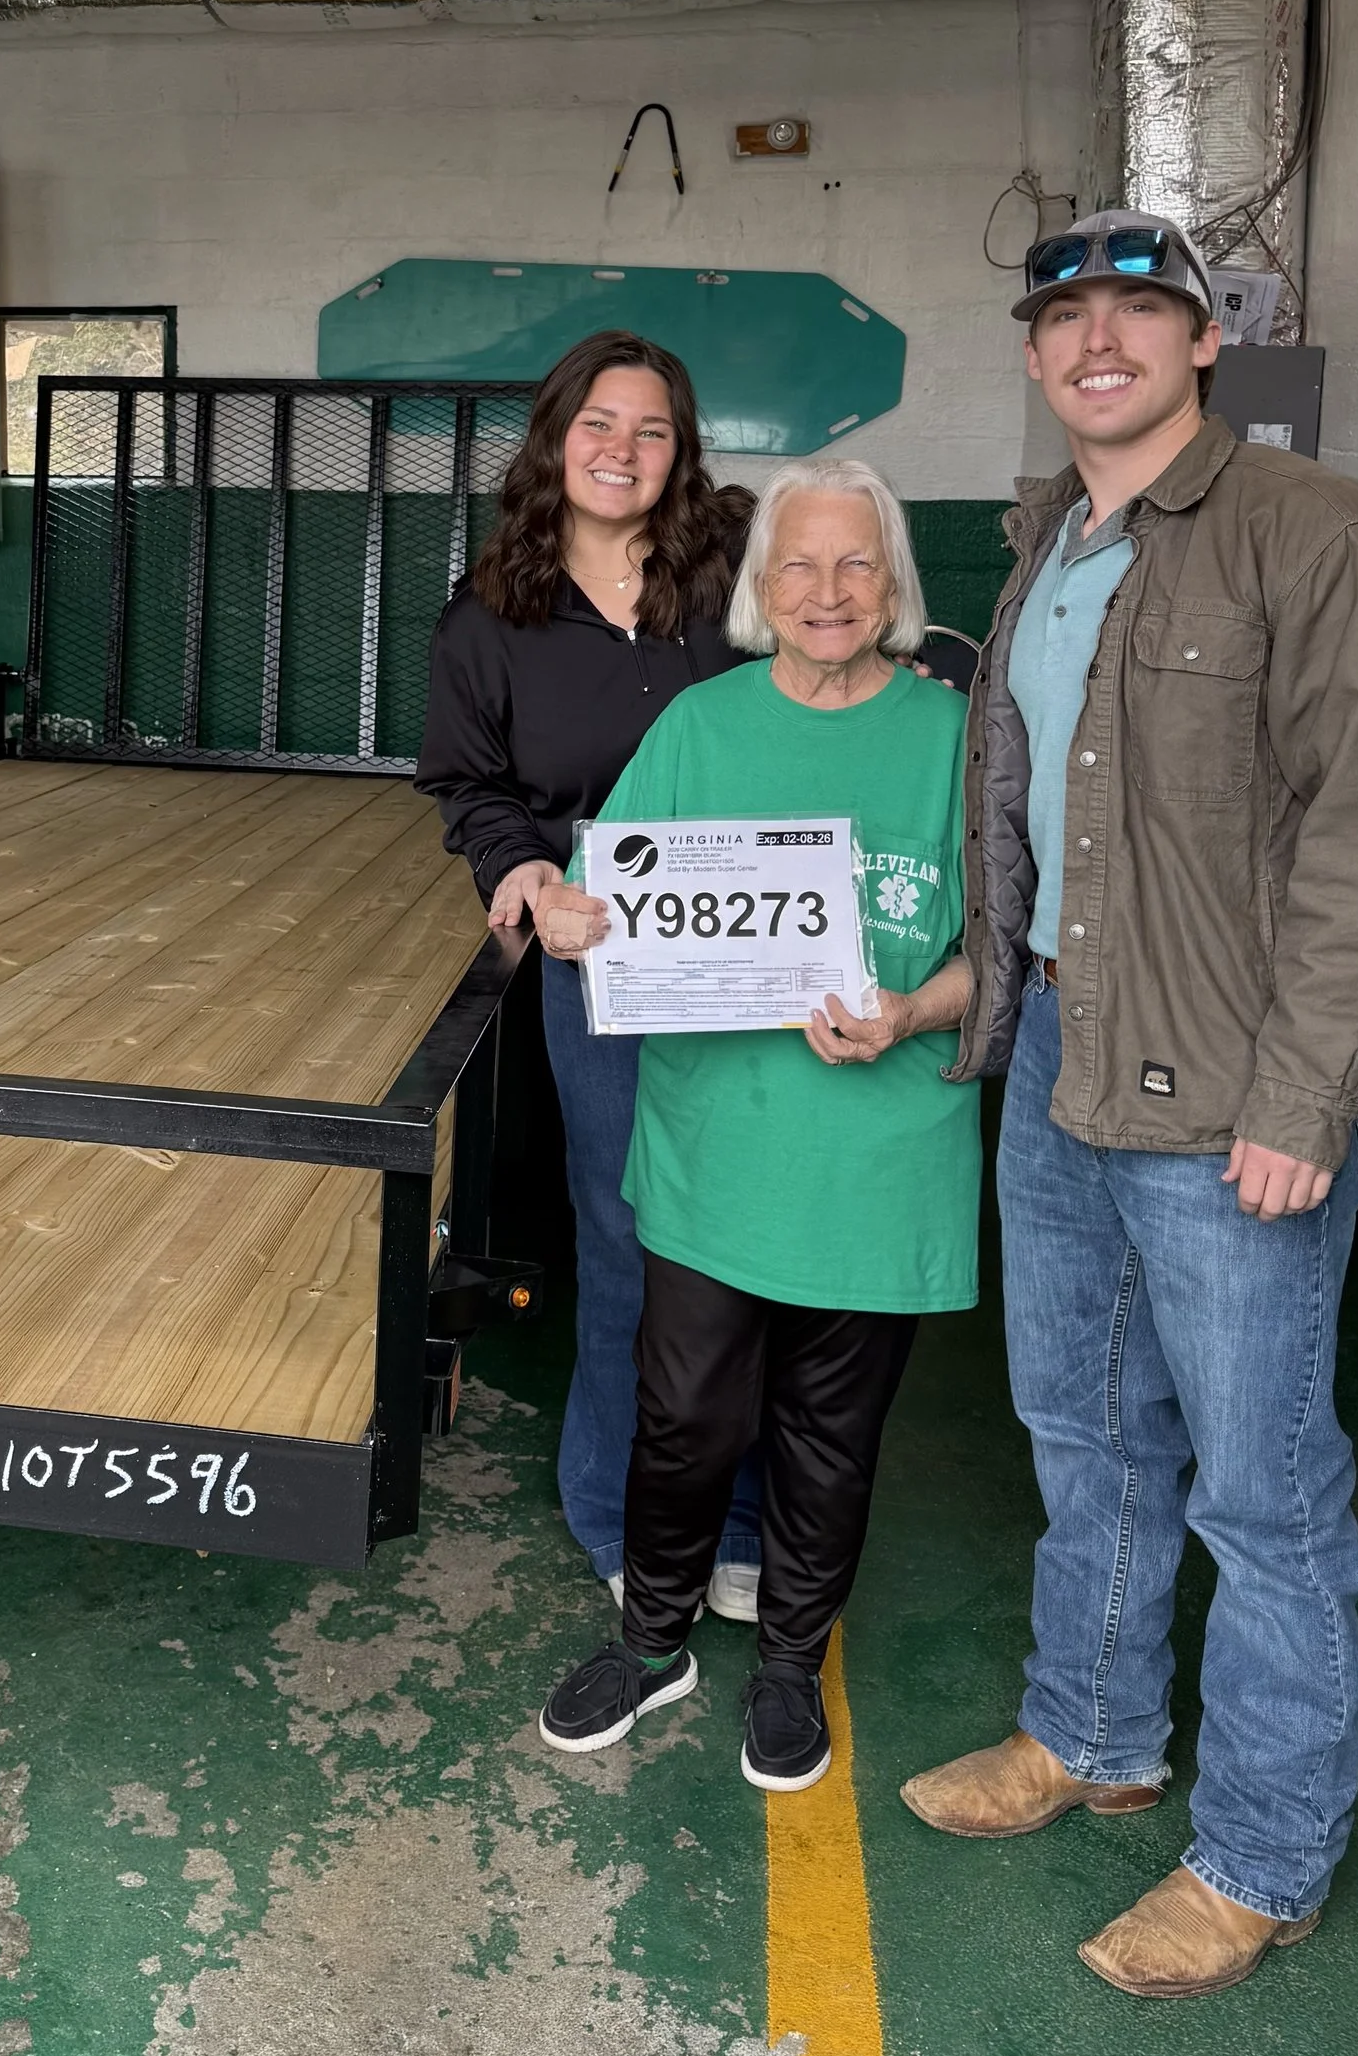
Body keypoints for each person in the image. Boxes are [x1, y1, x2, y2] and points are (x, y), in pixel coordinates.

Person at [902, 210, 1358, 1997]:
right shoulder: (1048, 541)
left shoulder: (1317, 530)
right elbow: (1041, 829)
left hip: (1238, 1094)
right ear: (1037, 352)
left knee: (1266, 1490)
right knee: (1084, 1432)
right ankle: (1094, 1735)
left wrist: (1310, 1099)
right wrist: (983, 993)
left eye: (1144, 311)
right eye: (1068, 318)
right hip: (1066, 1050)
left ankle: (1268, 1854)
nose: (1102, 342)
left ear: (1207, 346)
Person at [527, 456, 978, 1791]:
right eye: (800, 566)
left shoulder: (956, 739)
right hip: (718, 1143)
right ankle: (651, 1638)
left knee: (831, 1432)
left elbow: (1005, 949)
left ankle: (789, 1666)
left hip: (880, 1150)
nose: (828, 592)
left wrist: (909, 1011)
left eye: (855, 565)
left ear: (892, 585)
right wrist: (566, 906)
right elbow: (616, 903)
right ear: (761, 589)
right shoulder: (704, 729)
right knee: (684, 1417)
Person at [417, 331, 769, 1617]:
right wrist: (522, 877)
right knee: (627, 1235)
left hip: (753, 949)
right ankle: (620, 1511)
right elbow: (471, 785)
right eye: (599, 426)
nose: (623, 452)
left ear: (681, 452)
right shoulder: (491, 612)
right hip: (602, 947)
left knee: (746, 1238)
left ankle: (741, 1515)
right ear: (556, 440)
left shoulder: (733, 577)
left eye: (652, 430)